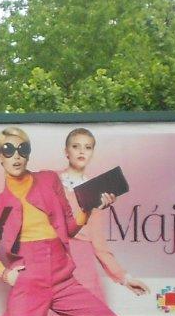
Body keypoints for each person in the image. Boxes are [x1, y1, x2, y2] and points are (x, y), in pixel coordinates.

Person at [0, 126, 120, 316]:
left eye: (23, 149)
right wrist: (5, 274)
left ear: (28, 155)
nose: (16, 156)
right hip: (29, 281)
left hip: (63, 278)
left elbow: (69, 227)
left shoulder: (48, 179)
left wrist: (89, 208)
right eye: (8, 150)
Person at [56, 127, 148, 300]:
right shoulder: (49, 181)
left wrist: (125, 278)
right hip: (53, 261)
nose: (82, 151)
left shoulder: (97, 193)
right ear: (66, 151)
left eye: (88, 147)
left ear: (92, 153)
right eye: (76, 146)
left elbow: (100, 246)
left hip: (83, 267)